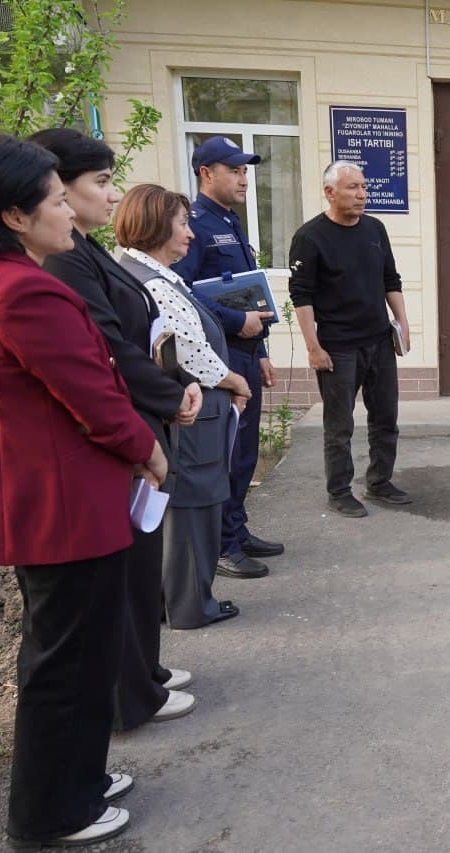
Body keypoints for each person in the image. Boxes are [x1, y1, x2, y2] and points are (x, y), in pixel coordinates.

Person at [0, 133, 166, 848]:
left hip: (54, 499)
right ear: (15, 215)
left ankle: (79, 776)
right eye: (56, 201)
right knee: (67, 662)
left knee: (73, 653)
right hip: (63, 505)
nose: (70, 214)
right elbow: (92, 392)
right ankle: (51, 812)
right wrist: (147, 449)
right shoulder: (24, 290)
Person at [32, 128, 202, 731]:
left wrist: (171, 384)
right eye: (100, 184)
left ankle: (144, 674)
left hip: (143, 411)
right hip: (121, 427)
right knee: (121, 576)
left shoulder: (86, 247)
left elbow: (141, 331)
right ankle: (132, 693)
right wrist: (164, 397)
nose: (112, 197)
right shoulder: (61, 260)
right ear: (52, 187)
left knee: (136, 572)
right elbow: (106, 347)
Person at [116, 184, 251, 629]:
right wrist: (234, 380)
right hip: (192, 410)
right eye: (182, 223)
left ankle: (181, 599)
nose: (190, 234)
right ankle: (193, 606)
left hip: (191, 408)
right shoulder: (151, 279)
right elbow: (189, 351)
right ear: (155, 226)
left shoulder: (148, 273)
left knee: (192, 503)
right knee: (194, 505)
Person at [170, 135, 282, 581]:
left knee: (246, 450)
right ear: (206, 173)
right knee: (229, 452)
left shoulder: (230, 221)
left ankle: (236, 528)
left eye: (245, 171)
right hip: (221, 353)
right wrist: (238, 325)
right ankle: (222, 544)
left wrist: (263, 351)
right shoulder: (195, 224)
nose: (243, 178)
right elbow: (183, 295)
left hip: (247, 351)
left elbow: (246, 288)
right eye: (234, 170)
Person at [288, 161, 412, 518]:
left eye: (364, 187)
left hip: (379, 343)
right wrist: (313, 347)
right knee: (339, 426)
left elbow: (391, 278)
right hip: (338, 348)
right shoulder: (310, 238)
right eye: (352, 188)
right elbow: (302, 296)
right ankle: (339, 490)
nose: (361, 194)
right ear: (329, 192)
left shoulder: (375, 229)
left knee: (386, 417)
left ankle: (380, 482)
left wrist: (403, 322)